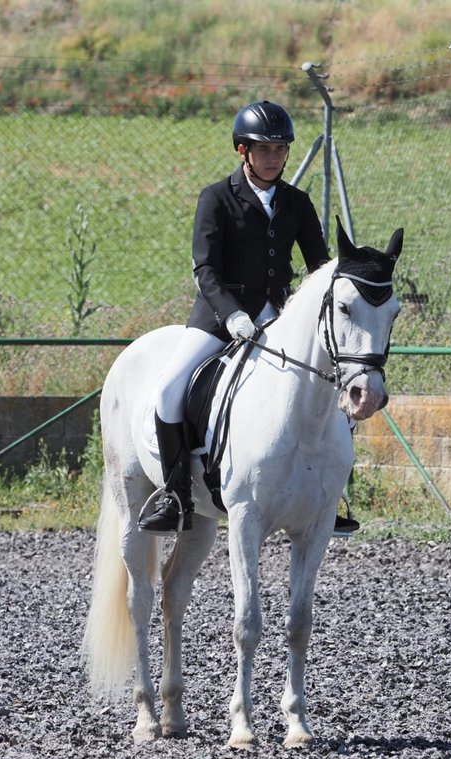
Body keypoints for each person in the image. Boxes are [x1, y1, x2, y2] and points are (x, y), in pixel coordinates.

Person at [139, 99, 358, 534]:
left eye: (281, 149)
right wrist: (233, 315)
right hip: (219, 320)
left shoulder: (297, 203)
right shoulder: (217, 198)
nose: (275, 157)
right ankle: (176, 495)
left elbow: (319, 268)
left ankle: (326, 497)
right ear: (243, 150)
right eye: (265, 149)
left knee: (333, 396)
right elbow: (205, 269)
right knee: (168, 392)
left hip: (276, 320)